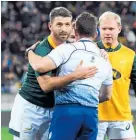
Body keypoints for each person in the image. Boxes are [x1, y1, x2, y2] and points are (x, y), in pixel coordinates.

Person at [9, 7, 98, 140]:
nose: (64, 29)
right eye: (59, 24)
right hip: (32, 107)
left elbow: (89, 44)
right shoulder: (43, 49)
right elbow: (46, 85)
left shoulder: (68, 47)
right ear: (50, 26)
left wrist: (101, 51)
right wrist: (75, 75)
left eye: (67, 24)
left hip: (52, 108)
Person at [27, 12, 113, 140]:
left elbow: (40, 66)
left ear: (76, 31)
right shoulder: (105, 60)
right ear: (96, 34)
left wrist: (29, 53)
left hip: (67, 111)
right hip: (91, 115)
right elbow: (106, 95)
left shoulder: (67, 49)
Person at [97, 11, 136, 140]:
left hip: (121, 117)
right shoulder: (88, 51)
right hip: (94, 116)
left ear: (119, 29)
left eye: (111, 28)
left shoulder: (130, 55)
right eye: (104, 28)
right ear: (99, 29)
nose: (107, 32)